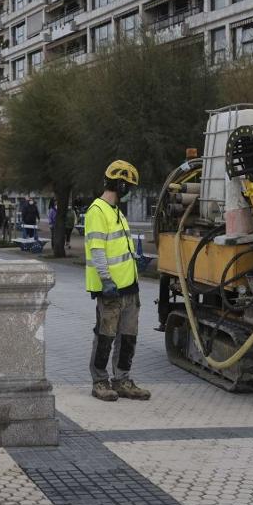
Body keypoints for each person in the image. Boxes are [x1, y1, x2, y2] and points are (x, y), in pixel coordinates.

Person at [85, 159, 151, 403]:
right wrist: (106, 280)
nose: (129, 192)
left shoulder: (117, 212)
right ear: (120, 185)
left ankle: (122, 380)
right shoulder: (97, 210)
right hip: (110, 289)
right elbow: (97, 250)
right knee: (106, 335)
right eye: (128, 187)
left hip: (129, 288)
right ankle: (100, 381)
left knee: (128, 336)